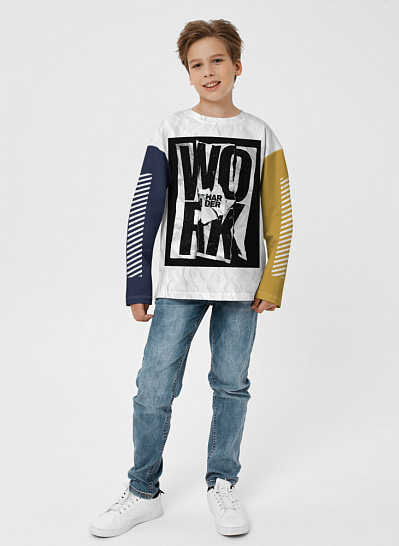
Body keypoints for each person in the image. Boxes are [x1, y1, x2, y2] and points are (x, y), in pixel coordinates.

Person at [89, 18, 293, 538]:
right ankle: (143, 492)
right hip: (178, 286)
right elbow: (145, 208)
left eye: (217, 60)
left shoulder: (260, 133)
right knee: (153, 387)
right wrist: (138, 284)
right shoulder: (170, 129)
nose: (208, 71)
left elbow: (280, 213)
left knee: (232, 386)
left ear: (237, 66)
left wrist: (273, 281)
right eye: (196, 64)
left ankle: (222, 483)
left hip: (241, 290)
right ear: (187, 73)